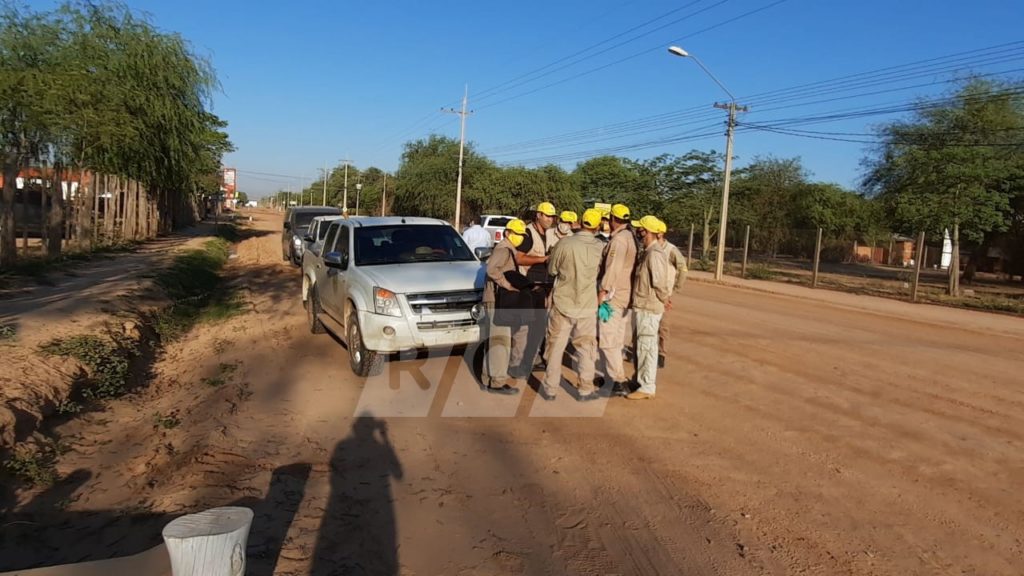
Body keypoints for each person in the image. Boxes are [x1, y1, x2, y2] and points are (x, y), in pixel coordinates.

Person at [541, 208, 605, 402]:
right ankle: (585, 389)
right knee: (586, 349)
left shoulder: (565, 243)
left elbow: (552, 270)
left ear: (581, 222)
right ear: (597, 226)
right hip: (587, 305)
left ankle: (550, 390)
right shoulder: (601, 247)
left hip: (563, 303)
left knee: (555, 347)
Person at [481, 219, 530, 395]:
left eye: (522, 235)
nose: (520, 238)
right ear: (508, 233)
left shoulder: (508, 248)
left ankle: (489, 379)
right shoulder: (503, 249)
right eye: (517, 234)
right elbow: (491, 270)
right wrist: (507, 285)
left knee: (495, 340)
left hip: (496, 299)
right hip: (497, 300)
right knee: (501, 341)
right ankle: (497, 382)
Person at [627, 216, 672, 400]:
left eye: (641, 229)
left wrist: (664, 299)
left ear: (648, 231)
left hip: (649, 307)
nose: (639, 231)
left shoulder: (654, 254)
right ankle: (640, 380)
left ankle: (646, 386)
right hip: (643, 305)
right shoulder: (648, 251)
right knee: (641, 346)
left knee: (647, 347)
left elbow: (660, 282)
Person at [509, 201, 555, 380]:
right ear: (538, 215)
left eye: (552, 216)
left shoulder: (550, 234)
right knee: (524, 327)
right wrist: (543, 259)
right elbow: (519, 258)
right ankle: (515, 364)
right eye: (547, 215)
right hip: (527, 286)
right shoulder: (528, 233)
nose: (550, 219)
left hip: (543, 288)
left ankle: (532, 359)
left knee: (538, 326)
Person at [597, 203, 637, 396]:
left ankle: (616, 380)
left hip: (613, 295)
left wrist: (602, 291)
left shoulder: (619, 240)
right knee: (617, 339)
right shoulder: (631, 236)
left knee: (607, 339)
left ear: (613, 219)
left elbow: (612, 268)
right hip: (625, 295)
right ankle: (613, 375)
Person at [659, 230, 688, 368]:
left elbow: (683, 268)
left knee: (663, 326)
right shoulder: (647, 247)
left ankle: (661, 354)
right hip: (649, 293)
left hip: (664, 294)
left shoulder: (670, 250)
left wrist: (676, 288)